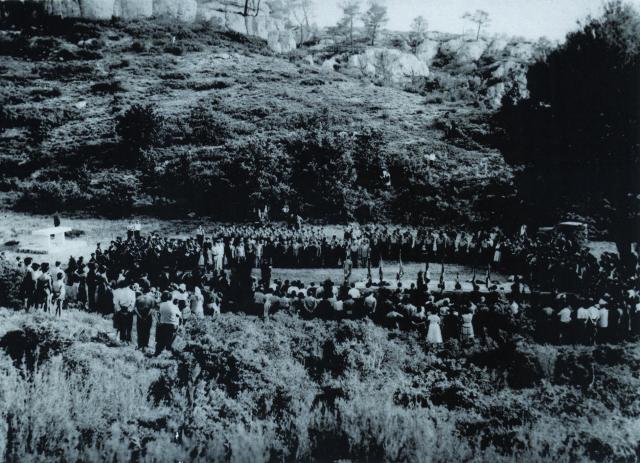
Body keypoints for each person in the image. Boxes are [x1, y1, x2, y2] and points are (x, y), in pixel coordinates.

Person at [155, 291, 181, 355]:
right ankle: (169, 350)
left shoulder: (161, 305)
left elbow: (156, 313)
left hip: (163, 325)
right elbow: (180, 317)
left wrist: (158, 321)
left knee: (160, 341)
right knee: (169, 342)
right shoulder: (175, 306)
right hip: (173, 326)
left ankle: (158, 352)